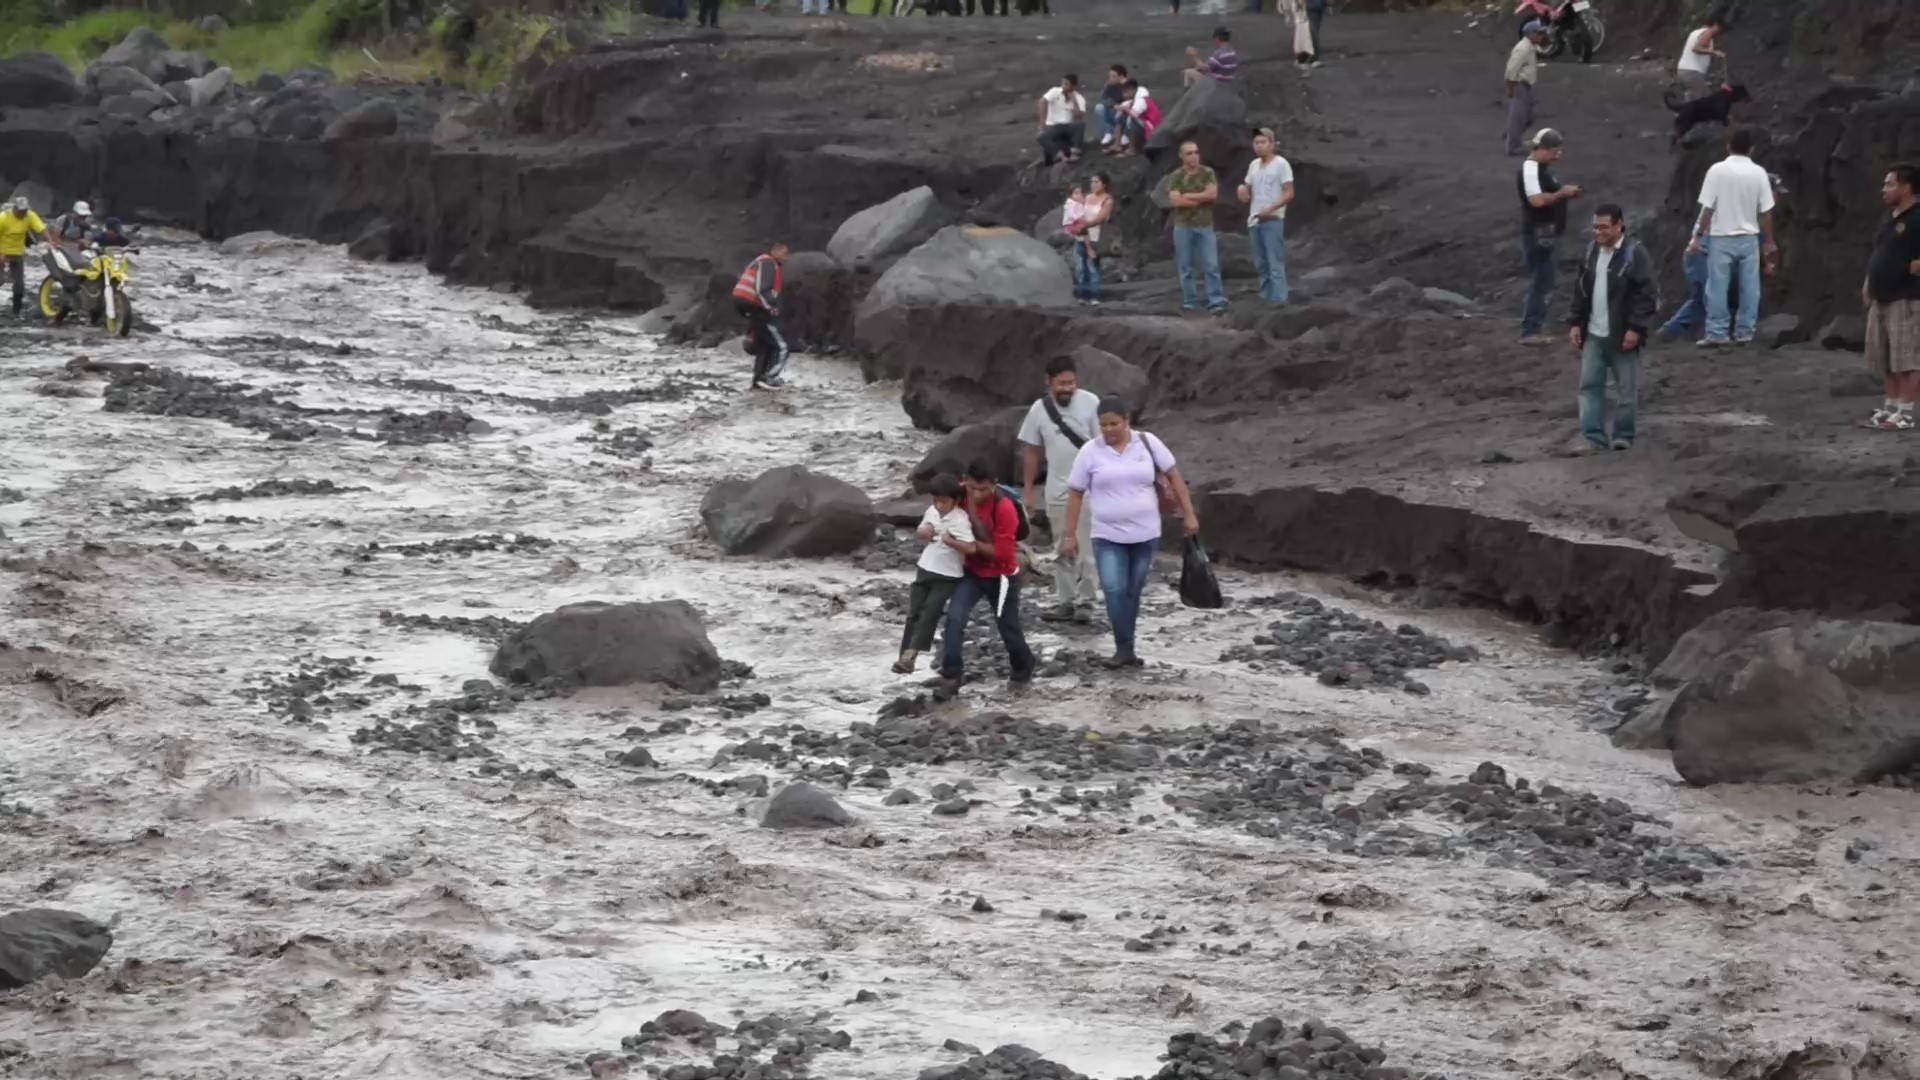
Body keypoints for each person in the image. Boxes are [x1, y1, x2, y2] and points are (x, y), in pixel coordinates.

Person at [1060, 397, 1200, 668]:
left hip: (1145, 534)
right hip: (1107, 535)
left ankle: (1127, 647)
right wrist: (1069, 535)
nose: (1109, 430)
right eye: (1103, 425)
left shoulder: (1147, 443)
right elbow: (1075, 493)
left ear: (1127, 421)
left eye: (1114, 424)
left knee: (1132, 591)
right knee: (1113, 589)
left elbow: (1174, 476)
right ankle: (1123, 649)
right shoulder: (1090, 451)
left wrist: (1189, 514)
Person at [938, 459, 1036, 689]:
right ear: (965, 481)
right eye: (972, 488)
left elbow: (1002, 554)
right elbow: (938, 510)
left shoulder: (1004, 508)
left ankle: (1023, 666)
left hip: (1003, 576)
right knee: (954, 618)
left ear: (994, 484)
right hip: (972, 573)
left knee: (1008, 628)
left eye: (983, 489)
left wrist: (969, 545)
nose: (976, 494)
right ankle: (952, 674)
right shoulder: (959, 494)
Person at [1019, 355, 1102, 623]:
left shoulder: (1091, 403)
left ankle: (1087, 602)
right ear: (1049, 381)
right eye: (1062, 383)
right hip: (1056, 489)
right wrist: (1028, 492)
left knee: (1086, 547)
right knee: (1061, 546)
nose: (1067, 388)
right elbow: (1031, 453)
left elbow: (1103, 445)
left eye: (1071, 383)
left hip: (1089, 488)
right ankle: (1065, 601)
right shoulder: (1038, 410)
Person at [1567, 205, 1657, 454]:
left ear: (1619, 226)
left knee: (1625, 390)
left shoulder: (1635, 254)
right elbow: (1580, 289)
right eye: (1595, 227)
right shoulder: (1590, 252)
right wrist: (1575, 322)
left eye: (1604, 227)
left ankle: (1623, 435)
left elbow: (1647, 295)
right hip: (1593, 334)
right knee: (1589, 387)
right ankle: (1593, 437)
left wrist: (1635, 329)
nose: (1598, 232)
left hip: (1621, 334)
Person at [1690, 126, 1776, 348]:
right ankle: (1745, 332)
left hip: (1721, 237)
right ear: (1752, 149)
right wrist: (1767, 241)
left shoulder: (1716, 171)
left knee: (1717, 287)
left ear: (1728, 146)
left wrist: (1698, 236)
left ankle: (1718, 333)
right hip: (1748, 237)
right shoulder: (1759, 173)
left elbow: (1708, 208)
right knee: (1750, 287)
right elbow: (1765, 212)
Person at [895, 474, 975, 673]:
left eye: (944, 501)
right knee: (914, 612)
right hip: (926, 567)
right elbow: (921, 530)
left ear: (955, 500)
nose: (939, 505)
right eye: (936, 500)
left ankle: (911, 654)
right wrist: (923, 533)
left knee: (930, 611)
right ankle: (905, 656)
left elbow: (971, 548)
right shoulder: (931, 511)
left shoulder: (960, 519)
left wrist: (952, 542)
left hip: (947, 575)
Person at [1864, 163, 1920, 431]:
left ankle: (1906, 414)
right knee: (1887, 359)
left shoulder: (1918, 217)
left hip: (1907, 298)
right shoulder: (1889, 219)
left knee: (1908, 358)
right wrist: (1868, 284)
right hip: (1881, 296)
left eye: (1890, 184)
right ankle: (1889, 410)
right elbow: (1880, 253)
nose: (1883, 189)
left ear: (1906, 187)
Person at [1517, 128, 1581, 345]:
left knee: (1545, 280)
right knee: (1541, 280)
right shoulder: (1530, 168)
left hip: (1548, 232)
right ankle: (1530, 330)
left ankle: (1534, 326)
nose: (1557, 155)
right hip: (1540, 232)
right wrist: (1562, 193)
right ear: (1542, 149)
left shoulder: (1543, 169)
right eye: (1554, 150)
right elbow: (1536, 200)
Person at [1160, 141, 1227, 316]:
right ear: (1181, 156)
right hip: (1183, 226)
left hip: (1204, 225)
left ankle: (1216, 300)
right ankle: (1189, 301)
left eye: (1196, 152)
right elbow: (1175, 201)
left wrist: (1188, 195)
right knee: (1185, 266)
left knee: (1211, 264)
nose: (1194, 156)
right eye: (1189, 153)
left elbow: (1212, 195)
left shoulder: (1207, 172)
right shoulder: (1176, 176)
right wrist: (1201, 198)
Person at [1237, 127, 1295, 304]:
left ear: (1272, 144)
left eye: (1263, 142)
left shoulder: (1281, 164)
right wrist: (1241, 190)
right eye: (1256, 143)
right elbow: (1245, 189)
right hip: (1254, 221)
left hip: (1273, 219)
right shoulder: (1253, 165)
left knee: (1274, 263)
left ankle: (1279, 300)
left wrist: (1271, 208)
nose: (1259, 146)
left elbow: (1289, 192)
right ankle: (1265, 300)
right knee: (1261, 265)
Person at [730, 242, 790, 389]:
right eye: (784, 253)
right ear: (775, 252)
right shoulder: (769, 263)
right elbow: (761, 288)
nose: (786, 257)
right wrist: (770, 308)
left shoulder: (760, 262)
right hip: (752, 304)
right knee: (781, 347)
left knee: (764, 343)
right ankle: (768, 377)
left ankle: (758, 379)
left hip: (745, 304)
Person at [1067, 175, 1113, 304]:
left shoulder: (1107, 200)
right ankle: (1082, 295)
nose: (1093, 184)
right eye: (1092, 182)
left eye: (1096, 182)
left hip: (1096, 237)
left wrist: (1085, 224)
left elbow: (1101, 218)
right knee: (1081, 268)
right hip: (1081, 236)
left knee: (1092, 267)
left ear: (1104, 184)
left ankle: (1094, 295)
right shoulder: (1086, 197)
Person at [0, 196, 47, 318]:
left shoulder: (29, 216)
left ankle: (16, 311)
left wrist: (51, 241)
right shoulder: (3, 218)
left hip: (17, 253)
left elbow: (42, 229)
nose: (22, 213)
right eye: (20, 211)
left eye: (24, 211)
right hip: (2, 251)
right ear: (14, 209)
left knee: (19, 284)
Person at [1505, 21, 1546, 157]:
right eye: (1539, 33)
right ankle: (1513, 147)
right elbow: (1511, 70)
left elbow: (1546, 49)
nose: (1542, 35)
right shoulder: (1522, 49)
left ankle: (1512, 135)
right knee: (1518, 117)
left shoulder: (1531, 46)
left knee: (1530, 115)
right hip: (1519, 85)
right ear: (1530, 34)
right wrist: (1511, 89)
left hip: (1527, 86)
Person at [1036, 74, 1086, 167]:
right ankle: (1059, 155)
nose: (1063, 87)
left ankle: (1074, 152)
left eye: (1066, 84)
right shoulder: (1055, 91)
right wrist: (1042, 122)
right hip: (1053, 125)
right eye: (1063, 83)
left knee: (1080, 125)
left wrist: (1074, 102)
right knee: (1040, 137)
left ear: (1073, 86)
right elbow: (1042, 101)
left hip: (1068, 125)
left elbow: (1079, 116)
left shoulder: (1079, 98)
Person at [1676, 11, 1728, 99]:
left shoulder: (1695, 32)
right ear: (1715, 25)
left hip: (1683, 71)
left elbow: (1701, 51)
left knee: (1693, 100)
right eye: (1719, 28)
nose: (1719, 31)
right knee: (1706, 100)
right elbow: (1696, 48)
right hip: (1692, 73)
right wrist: (1714, 52)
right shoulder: (1707, 32)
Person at [1109, 80, 1159, 157]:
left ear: (1132, 90)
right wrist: (1122, 109)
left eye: (1125, 92)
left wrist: (1124, 109)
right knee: (1121, 116)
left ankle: (1132, 149)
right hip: (1145, 123)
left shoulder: (1141, 100)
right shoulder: (1135, 99)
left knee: (1133, 120)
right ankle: (1117, 144)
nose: (1123, 95)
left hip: (1151, 127)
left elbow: (1134, 114)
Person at [1093, 65, 1129, 152]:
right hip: (1114, 109)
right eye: (1110, 76)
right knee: (1099, 108)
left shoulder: (1129, 85)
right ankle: (1108, 132)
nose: (1110, 78)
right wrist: (1114, 105)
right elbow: (1103, 99)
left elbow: (1133, 100)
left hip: (1127, 110)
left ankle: (1126, 134)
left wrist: (1124, 87)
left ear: (1122, 76)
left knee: (1123, 114)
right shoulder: (1109, 85)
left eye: (1113, 76)